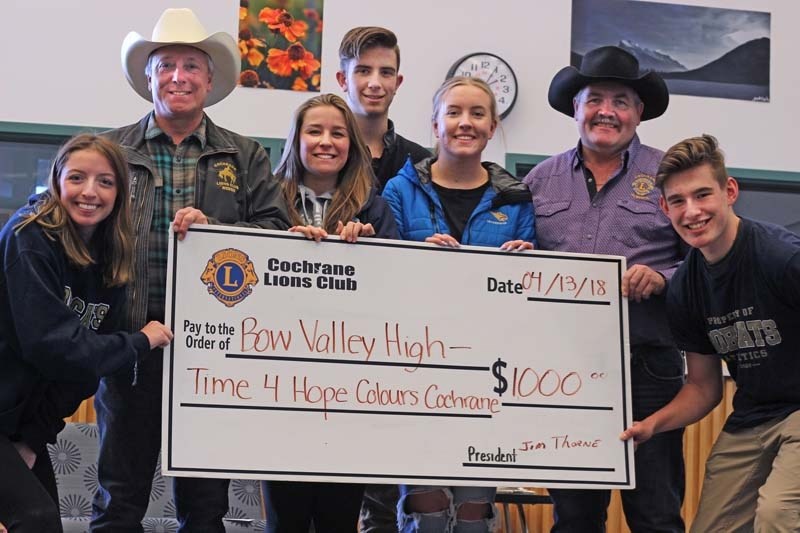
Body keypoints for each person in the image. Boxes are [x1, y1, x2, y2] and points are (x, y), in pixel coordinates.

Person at [91, 9, 290, 532]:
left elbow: (277, 235)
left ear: (209, 78)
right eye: (166, 65)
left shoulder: (245, 156)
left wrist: (216, 233)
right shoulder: (110, 151)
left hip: (213, 347)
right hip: (130, 343)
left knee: (205, 509)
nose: (178, 76)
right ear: (149, 77)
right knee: (119, 499)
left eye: (190, 66)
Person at [523, 46, 686, 532]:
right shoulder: (538, 181)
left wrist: (663, 278)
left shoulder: (668, 175)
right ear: (576, 107)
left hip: (649, 368)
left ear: (638, 113)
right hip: (565, 373)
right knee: (574, 515)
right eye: (595, 99)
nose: (607, 112)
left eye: (621, 100)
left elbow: (704, 254)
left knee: (655, 513)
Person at [621, 134, 800, 532]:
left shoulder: (781, 257)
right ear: (664, 208)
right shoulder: (685, 286)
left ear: (730, 191)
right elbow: (704, 388)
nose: (693, 212)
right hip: (752, 418)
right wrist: (652, 424)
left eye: (703, 195)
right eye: (679, 201)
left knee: (778, 517)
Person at [383, 76, 534, 533]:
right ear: (434, 123)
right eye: (453, 112)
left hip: (486, 376)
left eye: (476, 114)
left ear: (493, 128)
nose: (464, 123)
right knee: (424, 510)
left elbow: (528, 306)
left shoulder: (517, 200)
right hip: (414, 373)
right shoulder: (398, 191)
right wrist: (414, 260)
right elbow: (381, 282)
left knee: (474, 513)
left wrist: (528, 268)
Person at [0, 134, 173, 532]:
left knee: (44, 524)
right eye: (77, 178)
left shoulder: (110, 259)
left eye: (105, 181)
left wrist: (30, 439)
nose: (89, 192)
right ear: (58, 180)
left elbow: (81, 372)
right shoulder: (29, 237)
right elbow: (55, 348)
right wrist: (140, 341)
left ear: (120, 193)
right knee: (35, 519)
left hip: (19, 423)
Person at [260, 93, 397, 533]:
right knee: (286, 519)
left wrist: (370, 248)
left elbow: (398, 289)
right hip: (278, 390)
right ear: (296, 140)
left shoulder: (375, 208)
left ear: (352, 144)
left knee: (340, 518)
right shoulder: (266, 204)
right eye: (314, 131)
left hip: (350, 393)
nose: (326, 141)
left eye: (338, 133)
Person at [337, 26, 430, 193]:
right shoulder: (322, 154)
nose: (375, 83)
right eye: (364, 71)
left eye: (386, 73)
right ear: (343, 79)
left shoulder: (420, 163)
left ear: (397, 83)